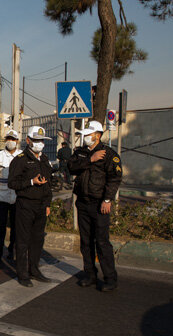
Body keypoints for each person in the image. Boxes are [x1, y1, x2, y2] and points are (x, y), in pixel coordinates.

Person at [68, 120, 122, 292]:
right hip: (83, 203)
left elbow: (115, 178)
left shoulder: (108, 154)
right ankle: (90, 274)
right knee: (86, 242)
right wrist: (90, 160)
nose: (85, 137)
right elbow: (71, 167)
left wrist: (107, 199)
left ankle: (110, 278)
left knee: (102, 242)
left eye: (89, 134)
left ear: (97, 136)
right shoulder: (81, 153)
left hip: (99, 205)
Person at [8, 126, 53, 287]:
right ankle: (23, 274)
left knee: (37, 240)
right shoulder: (20, 159)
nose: (39, 144)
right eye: (36, 140)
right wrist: (31, 182)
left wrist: (48, 203)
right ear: (28, 141)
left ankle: (34, 269)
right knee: (23, 241)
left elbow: (49, 185)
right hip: (25, 204)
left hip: (41, 206)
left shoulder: (45, 159)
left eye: (41, 141)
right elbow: (12, 183)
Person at [0, 130, 22, 262]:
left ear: (17, 141)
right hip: (2, 196)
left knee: (16, 227)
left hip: (17, 197)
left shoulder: (21, 157)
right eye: (8, 138)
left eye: (13, 139)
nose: (10, 141)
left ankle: (12, 251)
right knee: (0, 226)